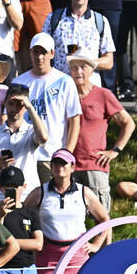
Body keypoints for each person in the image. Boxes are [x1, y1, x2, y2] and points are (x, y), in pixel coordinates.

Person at [25, 148, 109, 274]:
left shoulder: (84, 192)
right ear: (50, 167)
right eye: (56, 163)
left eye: (64, 163)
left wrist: (96, 244)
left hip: (77, 255)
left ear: (72, 167)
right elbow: (23, 217)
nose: (59, 167)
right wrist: (33, 239)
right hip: (48, 254)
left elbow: (104, 218)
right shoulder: (39, 192)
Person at [13, 33, 82, 184]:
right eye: (35, 52)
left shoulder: (64, 81)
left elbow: (74, 120)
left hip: (52, 156)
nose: (39, 57)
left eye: (44, 52)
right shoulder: (18, 82)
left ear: (52, 53)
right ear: (30, 53)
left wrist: (67, 153)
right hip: (24, 154)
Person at [69, 52, 132, 214]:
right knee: (72, 216)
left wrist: (115, 151)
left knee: (102, 217)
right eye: (74, 67)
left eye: (83, 67)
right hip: (69, 164)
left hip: (96, 164)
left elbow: (128, 123)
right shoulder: (66, 95)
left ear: (91, 70)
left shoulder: (103, 94)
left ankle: (106, 241)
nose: (78, 72)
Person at [0, 82, 47, 207]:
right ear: (5, 104)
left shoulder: (31, 131)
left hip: (28, 196)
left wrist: (30, 107)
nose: (14, 109)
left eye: (20, 105)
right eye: (11, 104)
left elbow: (43, 138)